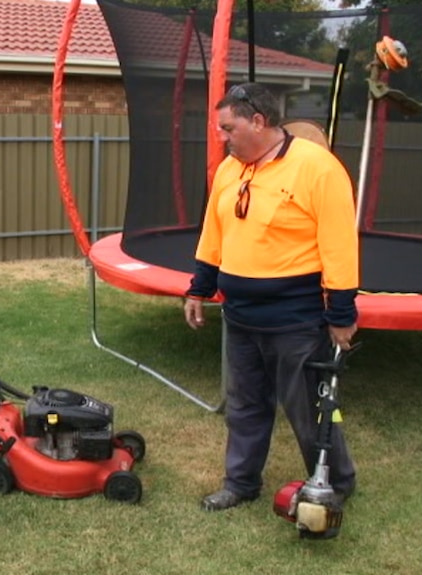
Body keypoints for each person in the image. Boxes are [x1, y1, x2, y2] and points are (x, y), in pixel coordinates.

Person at [183, 83, 358, 511]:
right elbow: (215, 230)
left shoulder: (318, 168)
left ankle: (335, 480)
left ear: (258, 121)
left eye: (228, 128)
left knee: (309, 409)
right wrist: (200, 287)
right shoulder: (230, 169)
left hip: (295, 319)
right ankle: (240, 483)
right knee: (243, 406)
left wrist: (340, 312)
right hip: (240, 315)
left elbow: (339, 245)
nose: (222, 137)